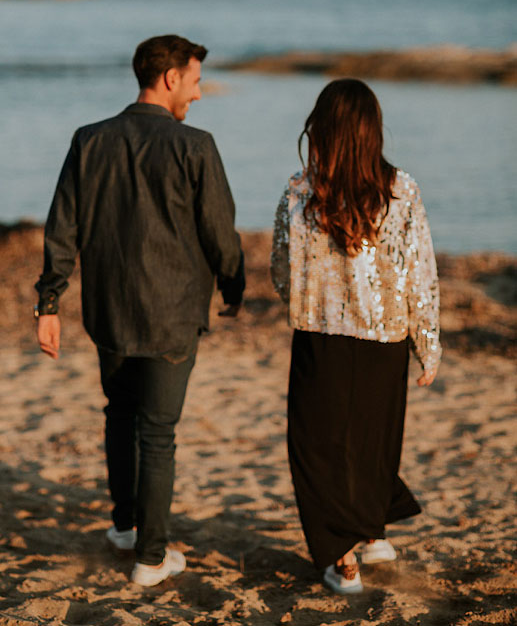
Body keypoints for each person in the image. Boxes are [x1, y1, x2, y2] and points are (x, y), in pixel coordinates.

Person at [35, 34, 245, 586]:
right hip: (172, 315)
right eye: (195, 81)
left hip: (109, 310)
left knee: (119, 416)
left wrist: (49, 301)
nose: (198, 95)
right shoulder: (195, 146)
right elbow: (220, 232)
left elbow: (62, 228)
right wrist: (234, 284)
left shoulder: (89, 139)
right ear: (171, 78)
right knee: (157, 433)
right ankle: (150, 559)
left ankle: (126, 528)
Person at [271, 78, 440, 595]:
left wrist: (305, 296)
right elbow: (421, 273)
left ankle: (347, 557)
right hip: (384, 338)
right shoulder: (402, 189)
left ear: (322, 128)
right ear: (372, 131)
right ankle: (371, 533)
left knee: (317, 446)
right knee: (372, 442)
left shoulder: (301, 191)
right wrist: (426, 343)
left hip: (321, 335)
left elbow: (281, 270)